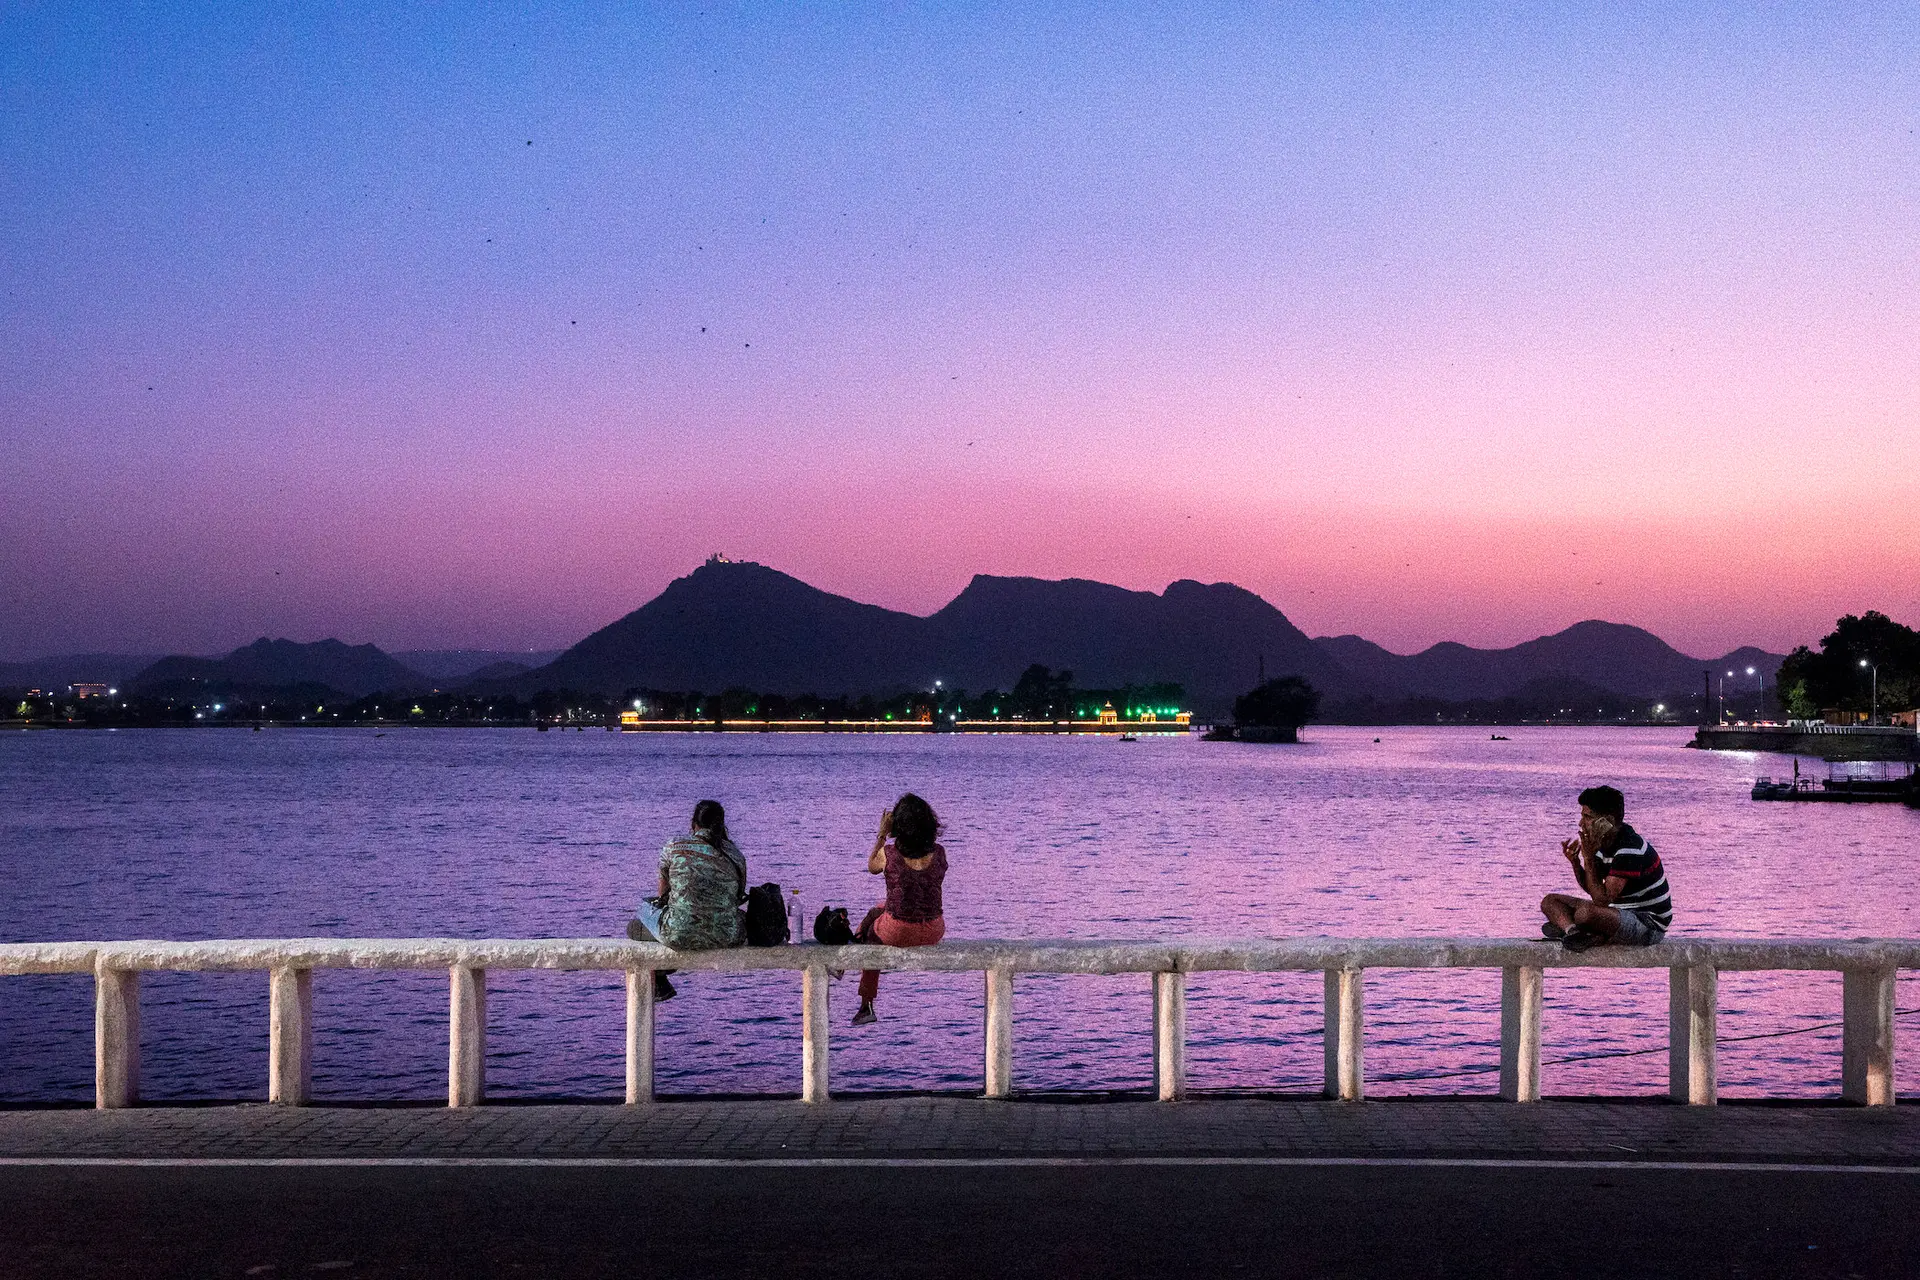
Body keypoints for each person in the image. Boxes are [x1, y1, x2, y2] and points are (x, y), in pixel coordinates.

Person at [628, 799, 747, 1000]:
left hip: (678, 933)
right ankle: (662, 975)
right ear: (722, 825)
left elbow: (662, 894)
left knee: (638, 920)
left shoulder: (674, 846)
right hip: (728, 934)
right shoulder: (735, 854)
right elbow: (736, 897)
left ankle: (660, 978)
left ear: (693, 824)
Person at [1540, 785, 1674, 953]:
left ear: (1607, 821)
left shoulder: (1629, 848)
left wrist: (1588, 858)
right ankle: (1575, 933)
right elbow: (1593, 888)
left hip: (1648, 924)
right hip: (1618, 912)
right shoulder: (1603, 843)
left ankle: (1585, 931)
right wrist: (1576, 863)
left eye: (1587, 817)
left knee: (1585, 914)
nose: (1581, 823)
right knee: (1550, 902)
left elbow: (1602, 900)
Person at [852, 792, 948, 1026]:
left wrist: (882, 834)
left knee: (872, 935)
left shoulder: (890, 854)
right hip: (934, 929)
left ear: (899, 826)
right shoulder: (939, 853)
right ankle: (851, 946)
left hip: (899, 931)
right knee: (878, 909)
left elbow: (872, 866)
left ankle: (866, 1005)